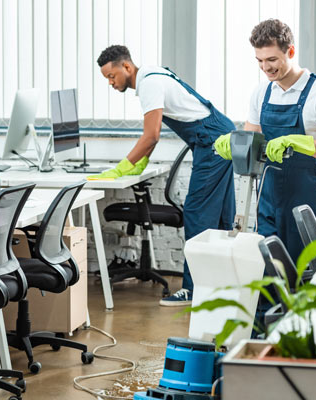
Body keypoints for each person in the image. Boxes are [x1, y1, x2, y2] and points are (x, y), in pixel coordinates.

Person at [93, 45, 236, 306]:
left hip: (213, 142)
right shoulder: (153, 75)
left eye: (111, 76)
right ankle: (223, 284)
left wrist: (123, 166)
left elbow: (151, 135)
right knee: (221, 215)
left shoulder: (148, 84)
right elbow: (153, 135)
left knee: (197, 212)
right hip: (219, 135)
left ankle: (193, 290)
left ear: (126, 67)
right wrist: (140, 161)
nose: (111, 83)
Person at [215, 19, 316, 262]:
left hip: (306, 202)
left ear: (291, 51)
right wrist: (235, 144)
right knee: (267, 272)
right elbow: (252, 142)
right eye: (260, 61)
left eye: (272, 60)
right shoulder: (261, 92)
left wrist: (301, 143)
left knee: (304, 274)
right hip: (267, 197)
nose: (265, 67)